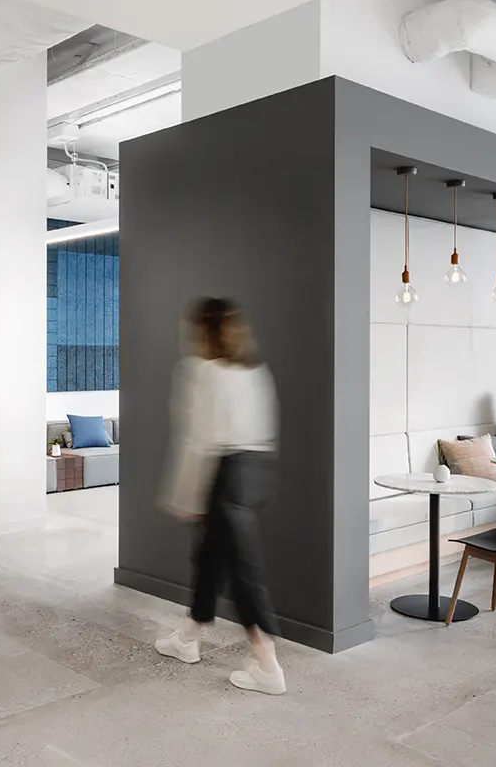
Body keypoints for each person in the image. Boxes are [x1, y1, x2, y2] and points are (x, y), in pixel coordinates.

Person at [154, 297, 285, 695]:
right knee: (211, 558)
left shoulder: (198, 371)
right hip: (255, 469)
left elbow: (197, 439)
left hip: (221, 475)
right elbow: (264, 428)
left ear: (202, 330)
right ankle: (188, 636)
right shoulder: (254, 370)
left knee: (243, 572)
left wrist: (185, 496)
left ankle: (267, 664)